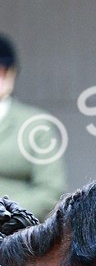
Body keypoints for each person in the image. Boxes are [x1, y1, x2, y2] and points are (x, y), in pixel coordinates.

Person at [0, 35, 67, 220]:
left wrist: (6, 213)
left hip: (15, 233)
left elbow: (50, 190)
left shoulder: (36, 124)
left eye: (4, 71)